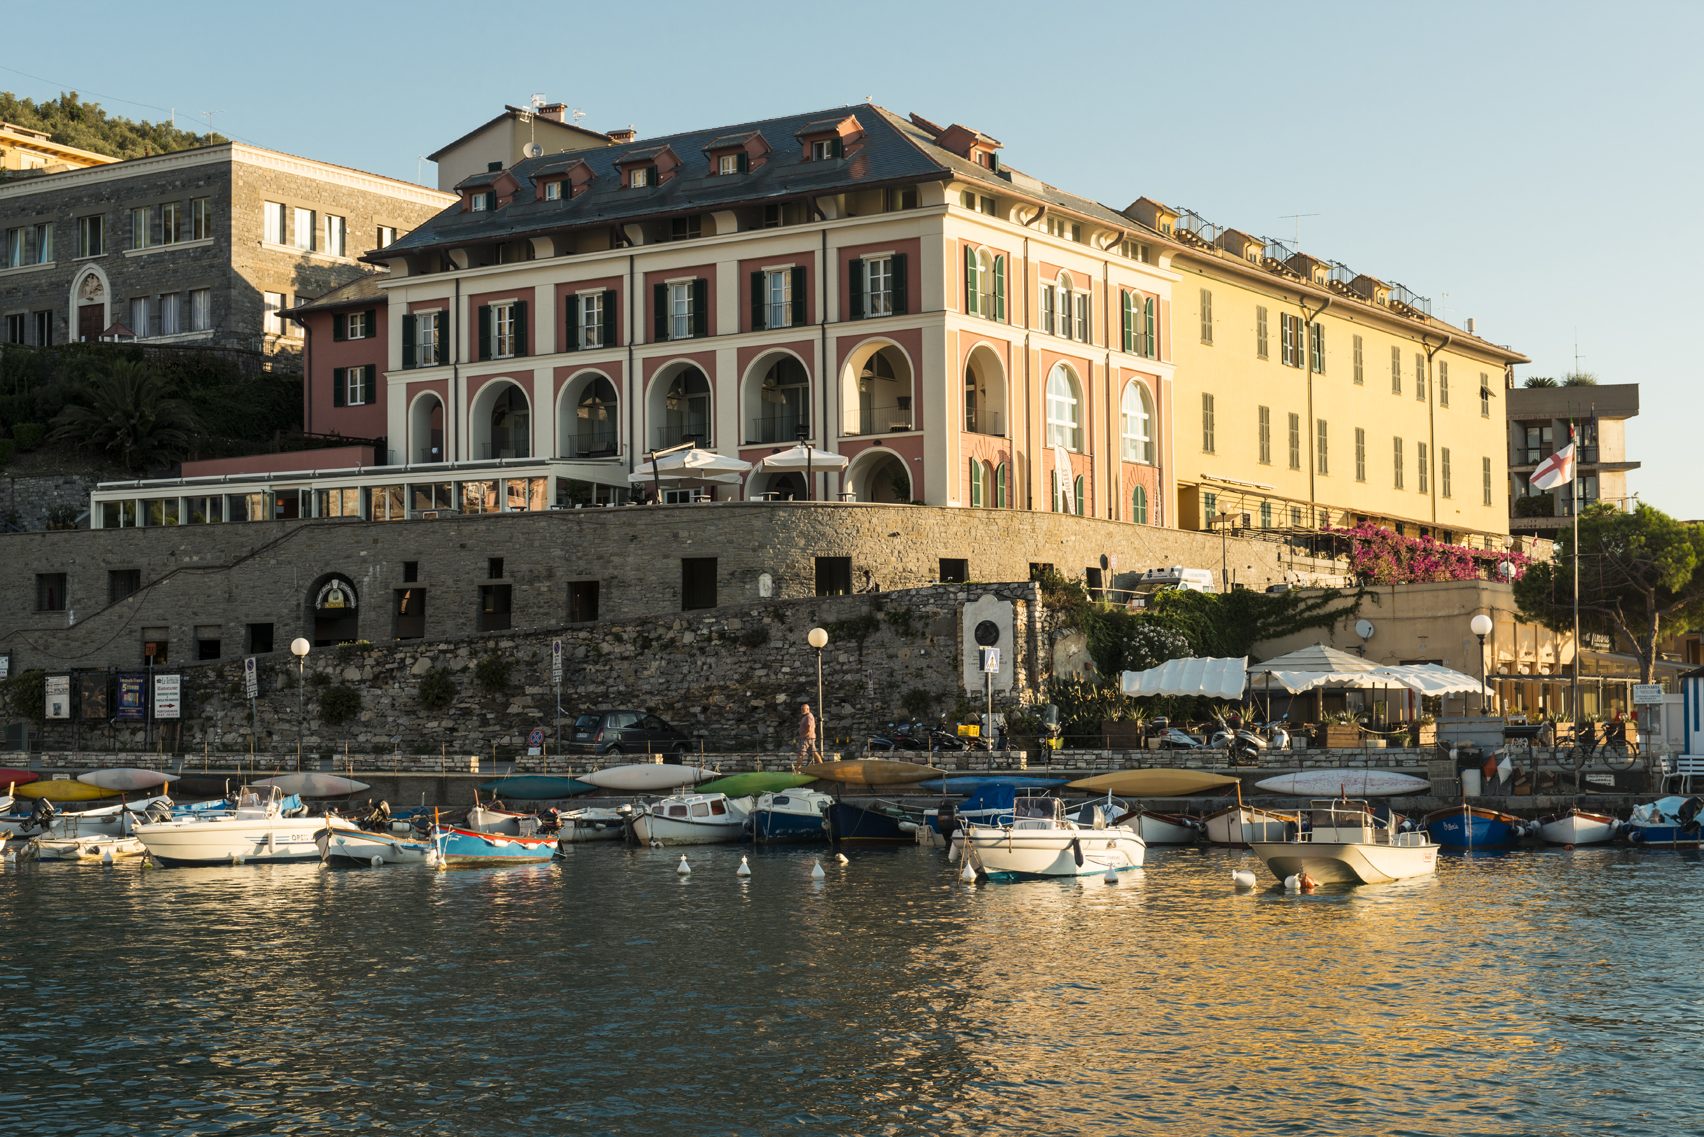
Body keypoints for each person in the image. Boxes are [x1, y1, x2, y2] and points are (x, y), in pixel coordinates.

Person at [796, 702, 820, 767]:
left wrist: (803, 735)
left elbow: (809, 727)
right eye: (801, 709)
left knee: (801, 753)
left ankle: (797, 770)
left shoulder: (808, 716)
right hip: (809, 738)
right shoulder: (806, 716)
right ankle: (822, 766)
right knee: (814, 752)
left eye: (803, 709)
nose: (802, 710)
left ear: (808, 709)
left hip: (806, 738)